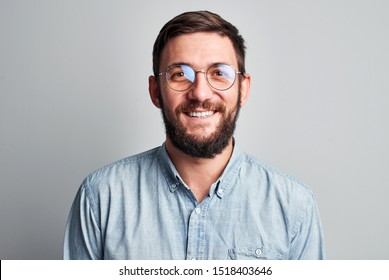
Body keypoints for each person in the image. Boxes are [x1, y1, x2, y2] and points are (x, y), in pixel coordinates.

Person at [63, 10, 325, 260]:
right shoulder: (99, 198)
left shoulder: (294, 206)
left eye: (219, 73)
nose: (200, 93)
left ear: (243, 89)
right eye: (179, 74)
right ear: (155, 91)